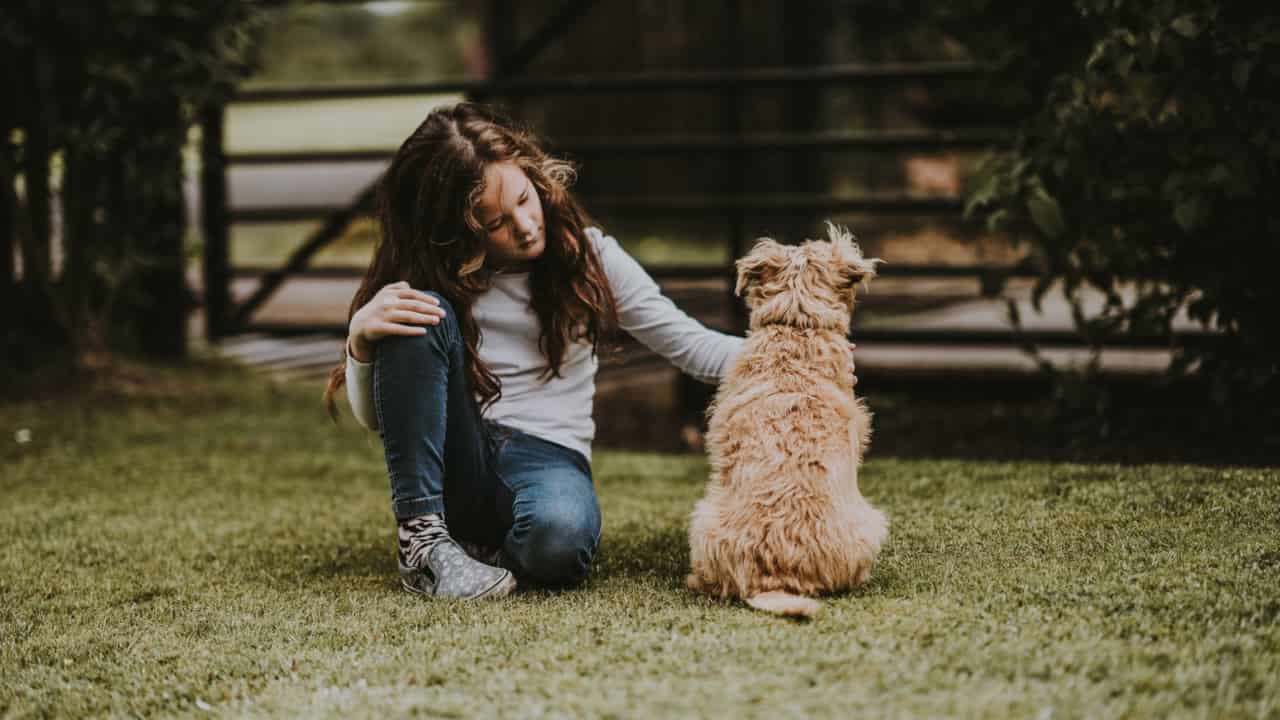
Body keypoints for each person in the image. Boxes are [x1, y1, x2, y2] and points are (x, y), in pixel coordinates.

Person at [322, 102, 856, 600]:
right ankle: (424, 544)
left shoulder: (590, 257)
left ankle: (479, 552)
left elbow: (689, 344)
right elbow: (379, 422)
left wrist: (800, 361)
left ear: (534, 174)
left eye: (524, 200)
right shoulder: (424, 282)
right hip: (456, 456)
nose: (526, 226)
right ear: (453, 231)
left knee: (559, 545)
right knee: (416, 313)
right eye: (494, 223)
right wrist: (361, 340)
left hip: (547, 455)